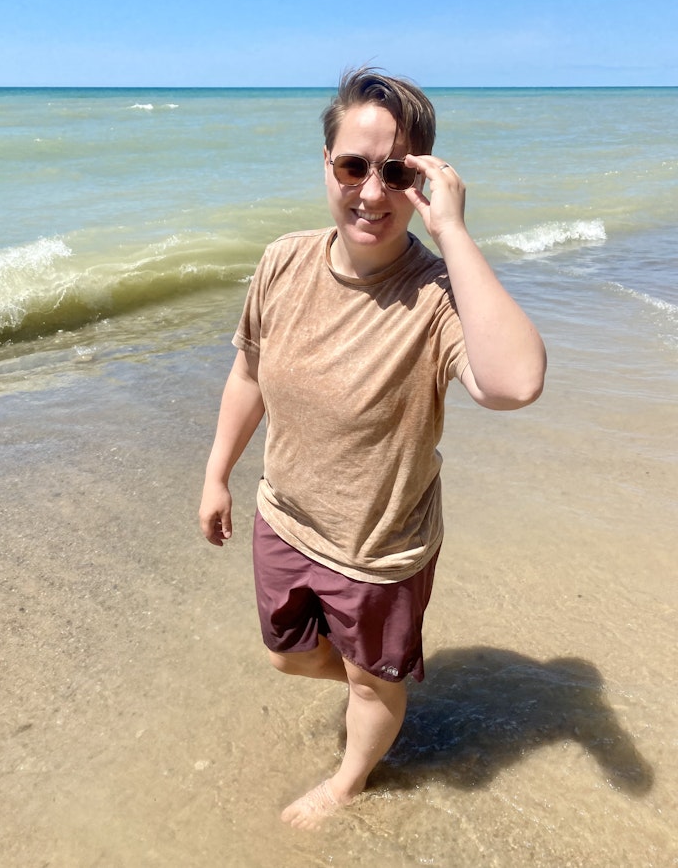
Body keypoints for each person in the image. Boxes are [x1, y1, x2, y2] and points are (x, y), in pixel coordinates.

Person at [199, 67, 546, 830]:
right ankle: (380, 684)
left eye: (397, 172)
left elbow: (517, 381)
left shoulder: (436, 297)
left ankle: (352, 774)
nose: (372, 191)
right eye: (354, 166)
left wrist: (453, 231)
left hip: (380, 548)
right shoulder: (282, 261)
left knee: (367, 684)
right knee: (287, 655)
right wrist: (217, 472)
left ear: (425, 180)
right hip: (285, 518)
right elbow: (248, 370)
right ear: (326, 164)